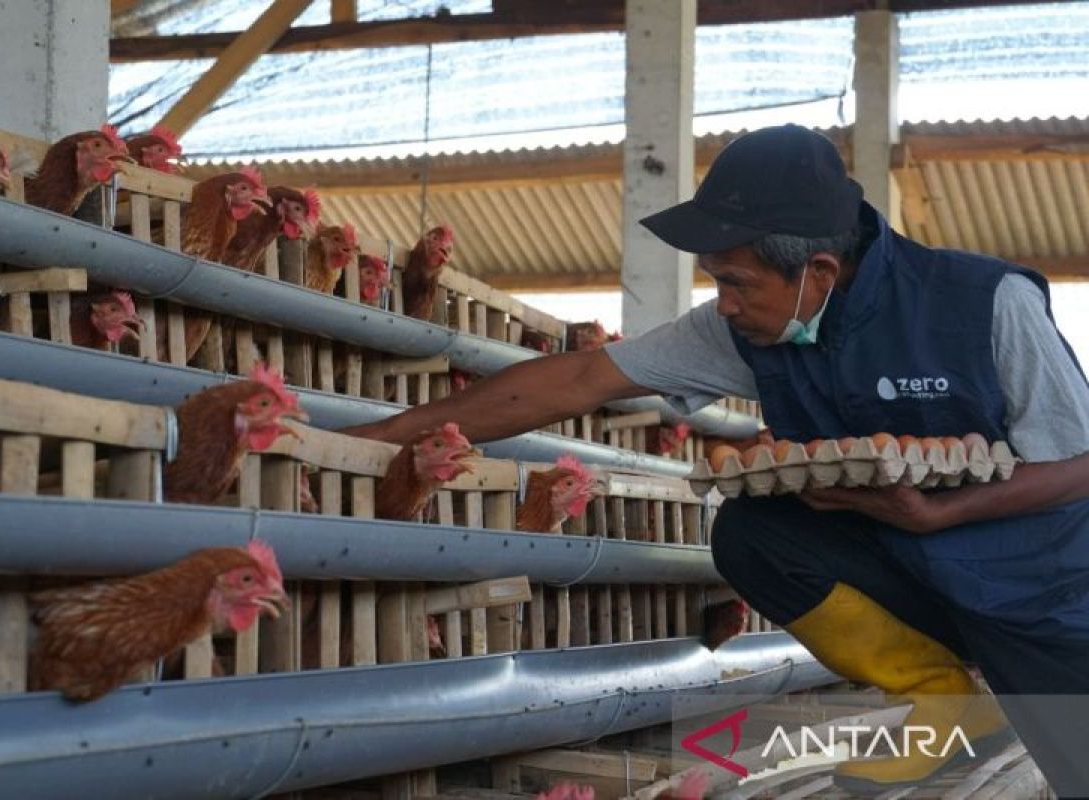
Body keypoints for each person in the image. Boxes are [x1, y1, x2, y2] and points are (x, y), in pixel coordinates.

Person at [343, 124, 1089, 795]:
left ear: (819, 272)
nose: (723, 303)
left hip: (1043, 597)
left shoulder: (984, 304)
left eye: (736, 282)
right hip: (917, 575)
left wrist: (940, 513)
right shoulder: (750, 325)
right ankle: (945, 700)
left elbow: (1082, 463)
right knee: (754, 531)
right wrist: (385, 438)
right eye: (715, 280)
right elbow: (581, 378)